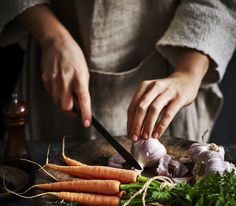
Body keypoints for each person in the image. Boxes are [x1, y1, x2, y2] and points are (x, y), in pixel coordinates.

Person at [0, 1, 235, 142]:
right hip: (53, 67)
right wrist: (52, 37)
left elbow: (219, 3)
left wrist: (187, 74)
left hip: (168, 64)